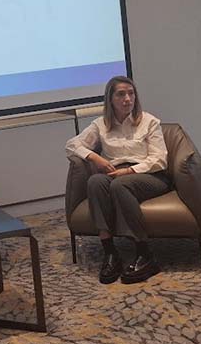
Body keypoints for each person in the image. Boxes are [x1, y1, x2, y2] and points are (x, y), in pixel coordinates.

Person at [65, 75, 170, 285]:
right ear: (110, 99)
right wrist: (95, 158)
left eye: (131, 94)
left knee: (120, 185)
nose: (127, 99)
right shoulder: (101, 124)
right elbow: (72, 145)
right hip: (115, 173)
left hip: (149, 175)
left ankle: (145, 253)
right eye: (121, 94)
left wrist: (129, 171)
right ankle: (110, 252)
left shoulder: (149, 122)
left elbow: (160, 160)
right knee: (95, 182)